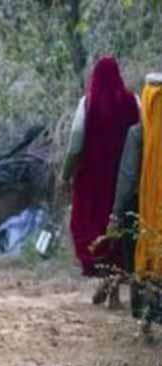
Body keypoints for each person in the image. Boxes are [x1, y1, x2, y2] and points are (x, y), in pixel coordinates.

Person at [62, 56, 139, 307]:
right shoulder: (133, 102)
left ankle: (106, 283)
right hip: (124, 181)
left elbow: (75, 143)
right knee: (118, 230)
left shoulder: (88, 104)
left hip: (92, 183)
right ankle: (112, 287)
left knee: (93, 230)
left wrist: (67, 174)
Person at [112, 72, 162, 335]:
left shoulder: (137, 133)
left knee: (141, 258)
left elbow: (129, 174)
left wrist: (117, 211)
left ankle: (146, 318)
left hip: (141, 209)